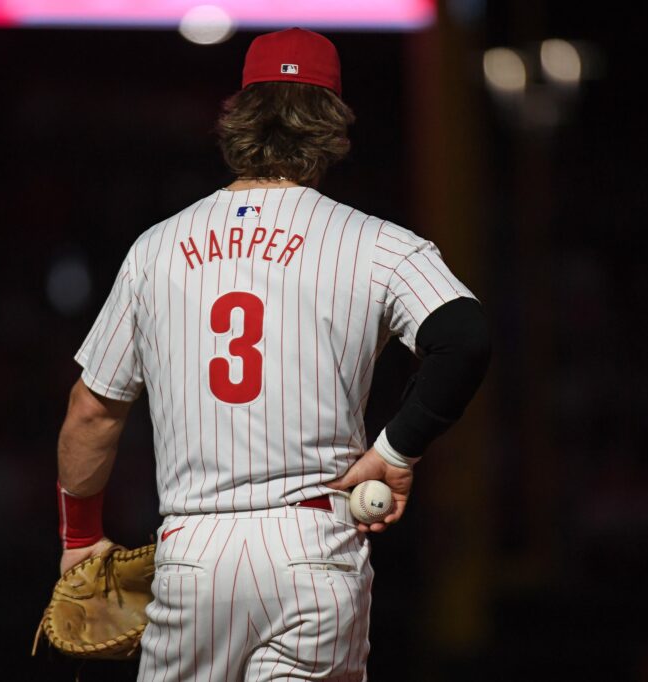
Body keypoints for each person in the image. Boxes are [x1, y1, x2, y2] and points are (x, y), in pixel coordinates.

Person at [54, 27, 490, 681]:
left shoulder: (157, 249)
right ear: (333, 123)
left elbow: (92, 411)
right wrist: (395, 453)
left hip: (195, 549)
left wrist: (81, 538)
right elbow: (466, 337)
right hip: (313, 545)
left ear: (240, 116)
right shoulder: (374, 244)